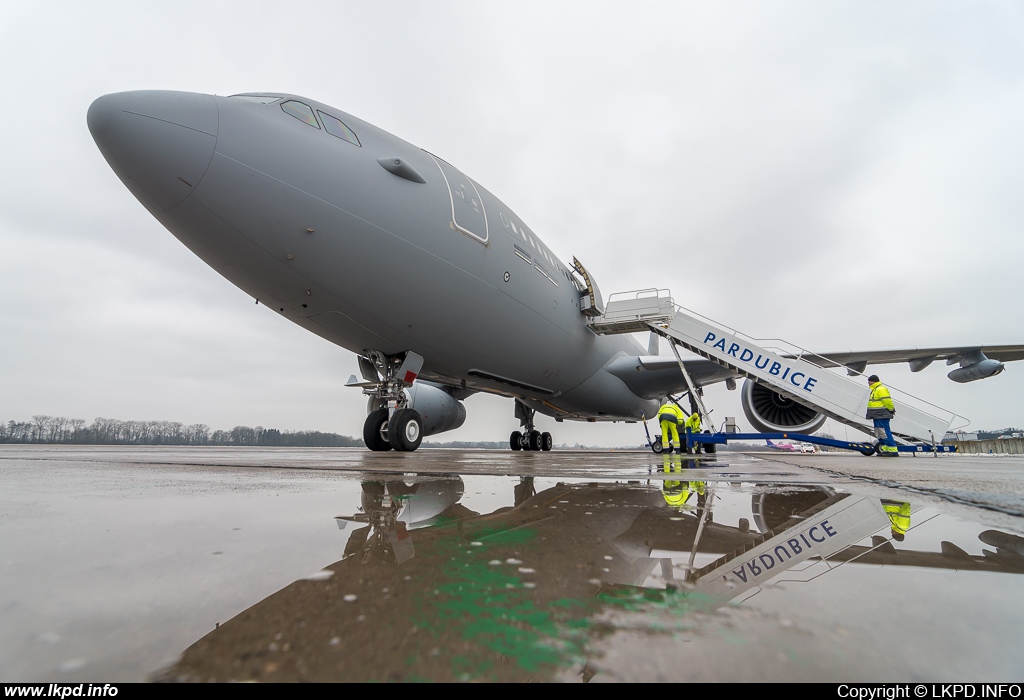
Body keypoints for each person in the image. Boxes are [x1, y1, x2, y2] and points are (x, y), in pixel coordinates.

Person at [866, 375, 898, 457]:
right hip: (877, 414)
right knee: (879, 432)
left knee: (884, 432)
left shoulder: (881, 389)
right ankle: (885, 450)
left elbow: (887, 401)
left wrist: (892, 410)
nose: (868, 382)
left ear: (873, 381)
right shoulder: (875, 389)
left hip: (881, 414)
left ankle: (892, 450)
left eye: (869, 381)